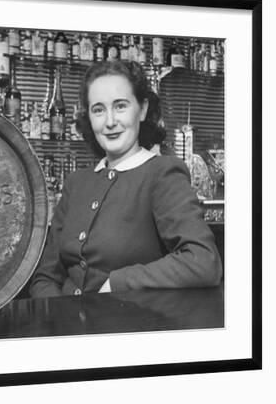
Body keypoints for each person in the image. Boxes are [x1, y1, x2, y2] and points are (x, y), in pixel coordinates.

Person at [29, 60, 222, 298]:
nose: (110, 121)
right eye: (98, 109)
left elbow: (203, 261)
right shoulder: (76, 183)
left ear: (142, 109)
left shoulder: (162, 173)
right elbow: (45, 277)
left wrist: (117, 282)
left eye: (120, 106)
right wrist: (61, 321)